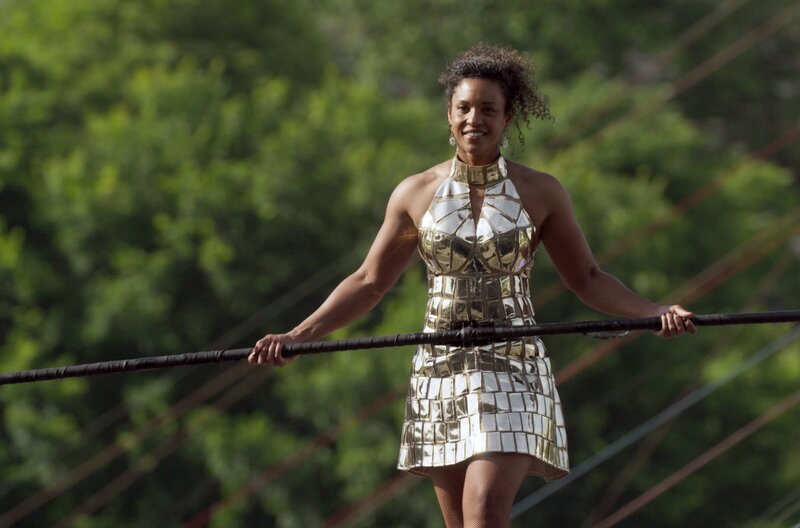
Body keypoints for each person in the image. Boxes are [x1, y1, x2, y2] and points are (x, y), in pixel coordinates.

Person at [248, 43, 696, 528]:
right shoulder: (415, 193)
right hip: (441, 368)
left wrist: (654, 313)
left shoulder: (542, 192)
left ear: (508, 118)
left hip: (514, 366)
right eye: (464, 108)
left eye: (488, 109)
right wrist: (298, 335)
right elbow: (369, 281)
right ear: (448, 114)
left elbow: (587, 278)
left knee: (483, 513)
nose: (473, 119)